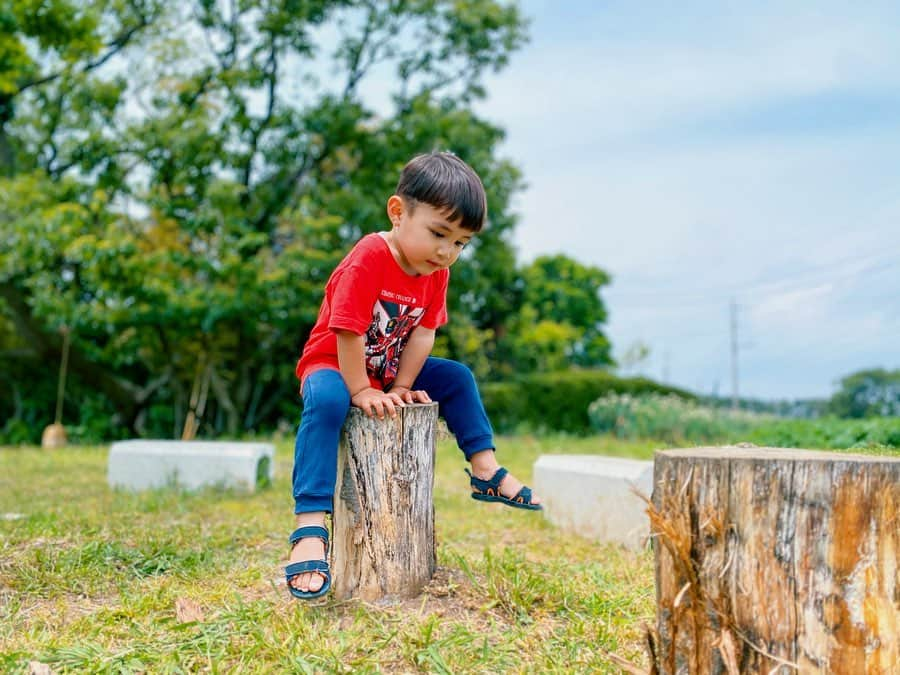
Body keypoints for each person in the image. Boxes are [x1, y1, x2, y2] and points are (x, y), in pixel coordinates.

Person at [285, 152, 542, 600]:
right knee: (328, 402)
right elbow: (346, 331)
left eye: (461, 243)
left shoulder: (436, 271)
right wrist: (360, 389)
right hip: (332, 362)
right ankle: (309, 526)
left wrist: (401, 386)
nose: (447, 252)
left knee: (458, 377)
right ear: (398, 212)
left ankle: (484, 469)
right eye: (439, 234)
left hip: (387, 371)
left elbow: (423, 335)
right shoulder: (369, 257)